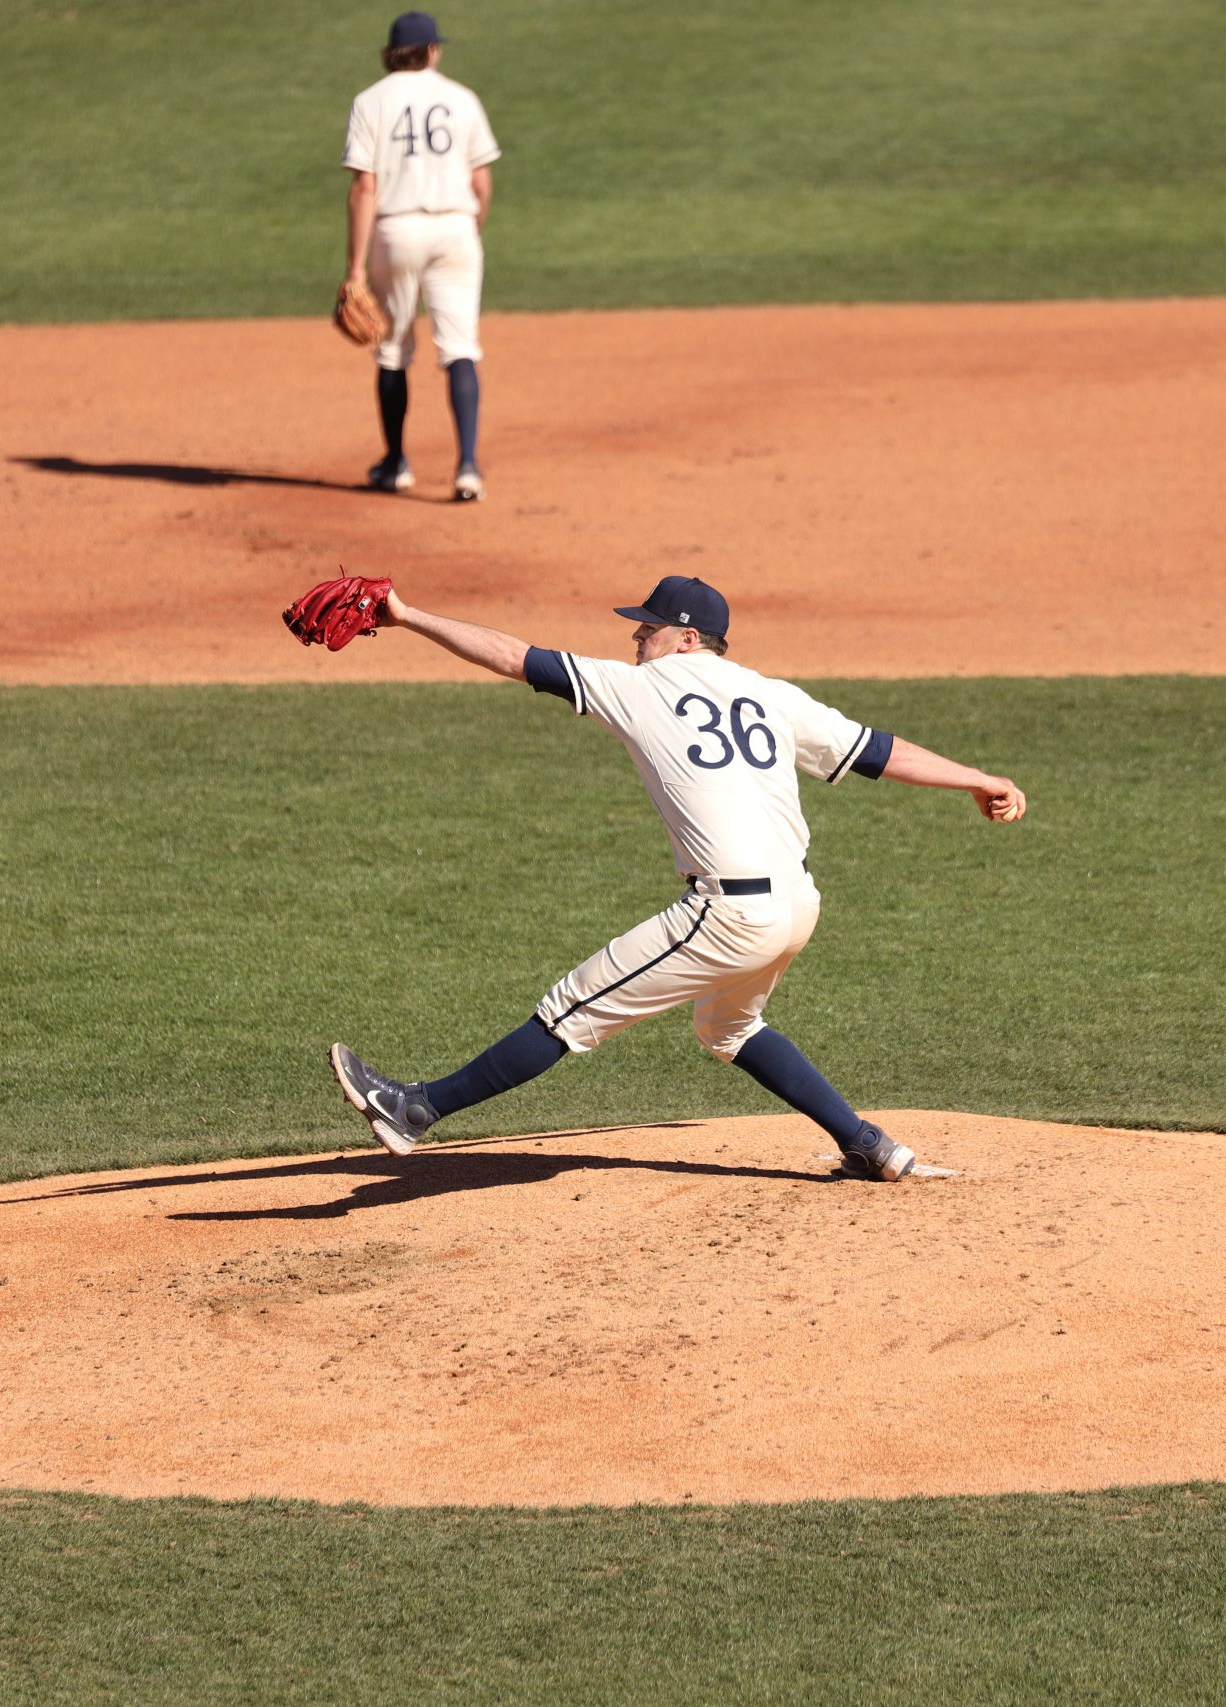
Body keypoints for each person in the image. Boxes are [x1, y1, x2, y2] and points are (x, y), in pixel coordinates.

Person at [326, 576, 1028, 1182]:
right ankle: (869, 1144)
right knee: (730, 1026)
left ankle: (414, 1107)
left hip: (728, 914)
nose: (638, 639)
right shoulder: (770, 695)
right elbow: (878, 750)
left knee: (570, 1008)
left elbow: (514, 656)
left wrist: (407, 615)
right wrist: (978, 777)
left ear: (688, 638)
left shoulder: (639, 687)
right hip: (798, 906)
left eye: (649, 627)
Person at [341, 11, 500, 500]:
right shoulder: (461, 98)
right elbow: (481, 183)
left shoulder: (369, 101)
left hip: (397, 230)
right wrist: (466, 233)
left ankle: (395, 464)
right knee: (460, 349)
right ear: (432, 50)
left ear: (392, 53)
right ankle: (468, 467)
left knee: (392, 352)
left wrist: (355, 269)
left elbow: (365, 187)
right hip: (455, 227)